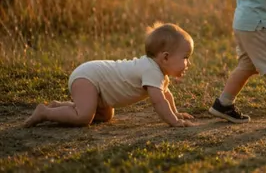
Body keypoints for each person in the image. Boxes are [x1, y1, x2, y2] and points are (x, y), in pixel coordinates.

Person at [25, 23, 196, 127]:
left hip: (98, 83)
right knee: (84, 117)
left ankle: (59, 106)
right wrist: (173, 121)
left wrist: (176, 113)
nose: (188, 63)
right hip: (88, 77)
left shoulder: (157, 71)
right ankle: (45, 113)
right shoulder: (151, 70)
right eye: (186, 58)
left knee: (106, 116)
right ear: (165, 57)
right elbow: (159, 101)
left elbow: (166, 95)